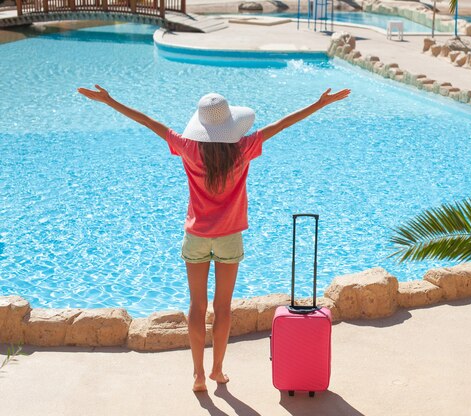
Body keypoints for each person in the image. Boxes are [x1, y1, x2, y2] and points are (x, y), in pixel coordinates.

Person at [77, 85, 351, 392]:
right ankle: (217, 370)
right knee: (223, 307)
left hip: (196, 235)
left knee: (196, 305)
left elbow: (149, 122)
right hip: (229, 237)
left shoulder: (188, 148)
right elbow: (282, 124)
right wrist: (319, 103)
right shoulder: (243, 149)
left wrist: (110, 100)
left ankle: (197, 374)